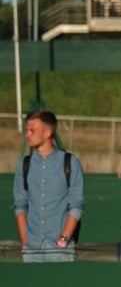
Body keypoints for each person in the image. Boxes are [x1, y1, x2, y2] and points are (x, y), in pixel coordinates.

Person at [13, 110, 85, 263]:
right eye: (27, 130)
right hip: (31, 252)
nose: (27, 135)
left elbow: (76, 206)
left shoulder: (70, 163)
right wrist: (26, 242)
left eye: (32, 130)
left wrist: (63, 241)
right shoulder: (23, 165)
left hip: (61, 252)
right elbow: (20, 205)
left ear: (47, 133)